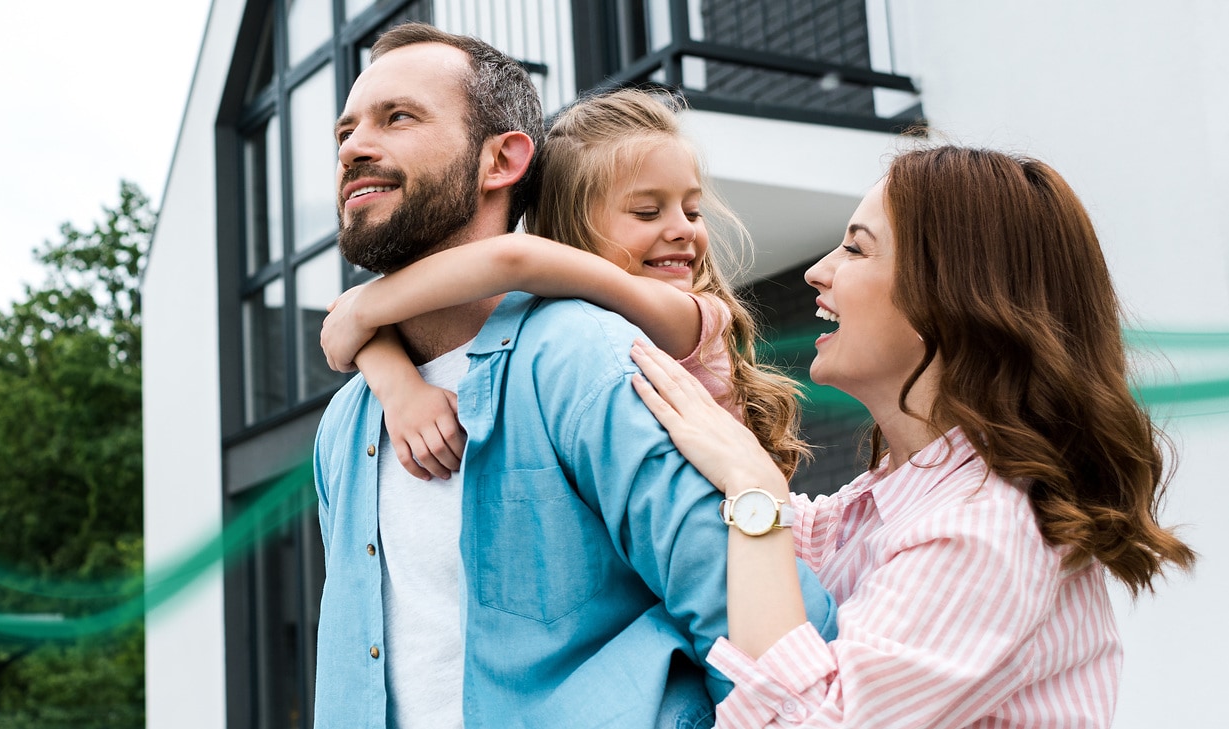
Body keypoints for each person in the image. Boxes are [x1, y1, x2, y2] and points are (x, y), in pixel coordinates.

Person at [311, 23, 836, 728]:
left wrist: (359, 311)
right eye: (345, 130)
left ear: (502, 160)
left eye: (396, 117)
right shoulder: (347, 423)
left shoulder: (587, 356)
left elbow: (764, 638)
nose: (353, 147)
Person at [626, 145, 1197, 727]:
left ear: (950, 294)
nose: (818, 271)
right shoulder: (895, 501)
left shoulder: (982, 526)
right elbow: (769, 547)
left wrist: (755, 491)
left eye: (855, 248)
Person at [319, 88, 806, 487]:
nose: (684, 229)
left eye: (692, 211)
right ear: (570, 227)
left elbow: (513, 259)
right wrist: (401, 389)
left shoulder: (691, 315)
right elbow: (353, 327)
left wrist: (367, 306)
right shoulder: (550, 321)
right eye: (646, 212)